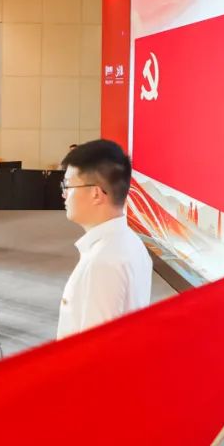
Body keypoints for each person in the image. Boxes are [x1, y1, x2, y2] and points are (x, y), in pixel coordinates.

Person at [56, 139, 151, 340]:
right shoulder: (132, 243)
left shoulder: (102, 262)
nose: (64, 194)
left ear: (96, 194)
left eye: (68, 185)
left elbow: (95, 348)